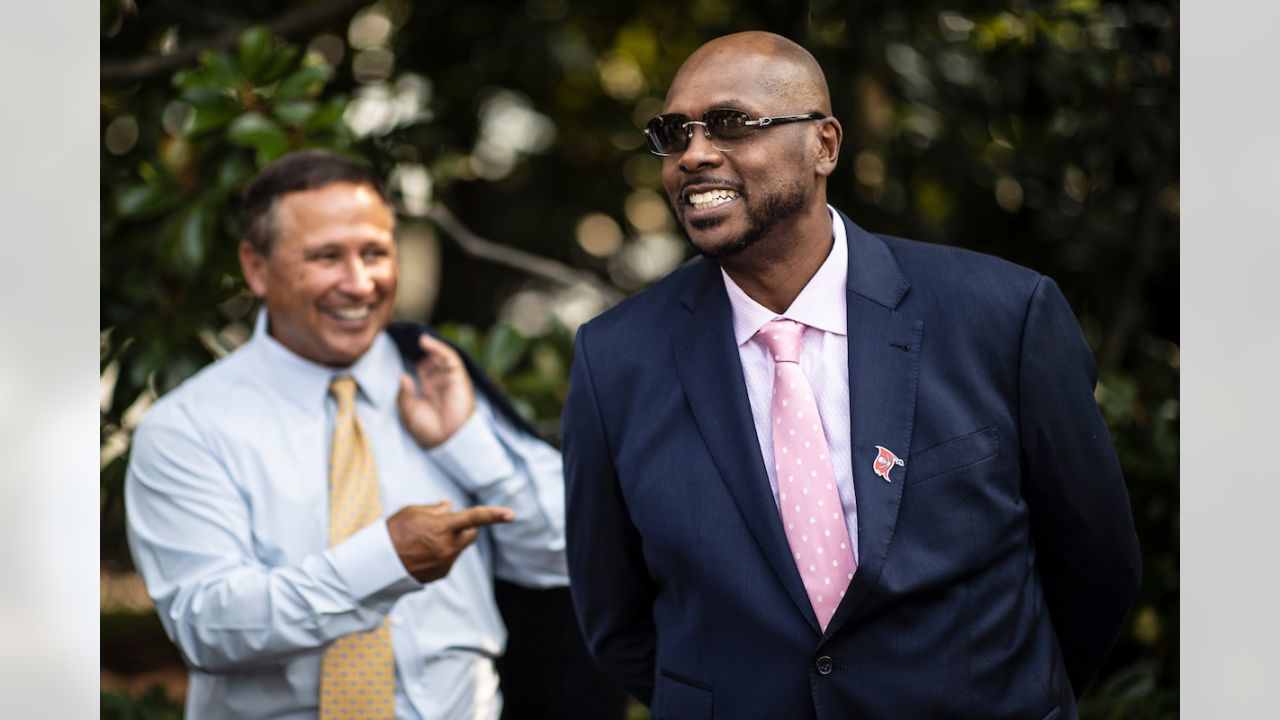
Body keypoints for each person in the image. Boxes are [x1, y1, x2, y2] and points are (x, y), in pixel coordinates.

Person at [561, 31, 1142, 719]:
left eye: (729, 124)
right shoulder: (616, 358)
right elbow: (614, 618)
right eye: (673, 132)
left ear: (825, 146)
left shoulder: (1000, 315)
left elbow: (1096, 570)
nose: (695, 154)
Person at [126, 149, 575, 719]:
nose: (360, 284)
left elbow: (567, 553)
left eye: (375, 253)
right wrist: (387, 560)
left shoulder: (441, 380)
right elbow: (209, 626)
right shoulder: (187, 428)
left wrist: (466, 442)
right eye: (326, 257)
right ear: (256, 267)